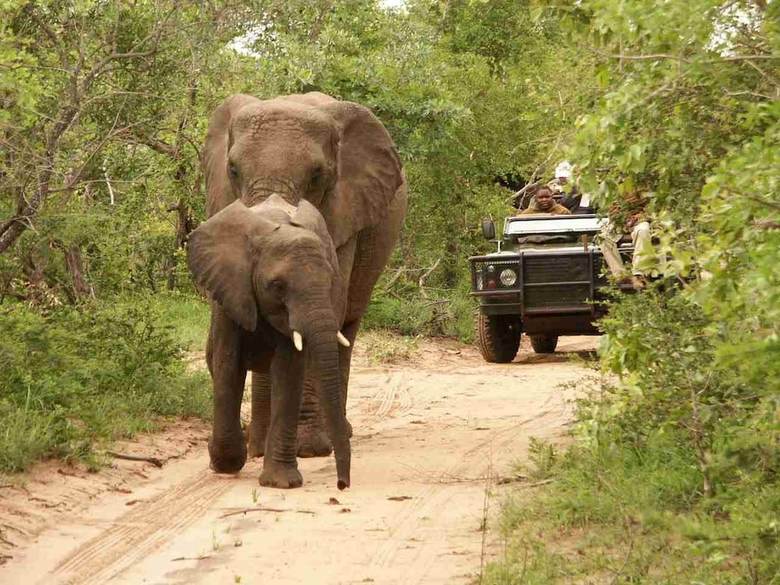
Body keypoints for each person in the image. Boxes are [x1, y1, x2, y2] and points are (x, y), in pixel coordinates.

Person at [599, 190, 664, 288]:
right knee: (602, 238)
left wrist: (643, 214)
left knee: (643, 230)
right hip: (623, 221)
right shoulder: (618, 185)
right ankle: (621, 275)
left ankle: (638, 274)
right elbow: (612, 210)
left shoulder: (647, 184)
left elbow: (655, 209)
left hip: (643, 220)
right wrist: (616, 213)